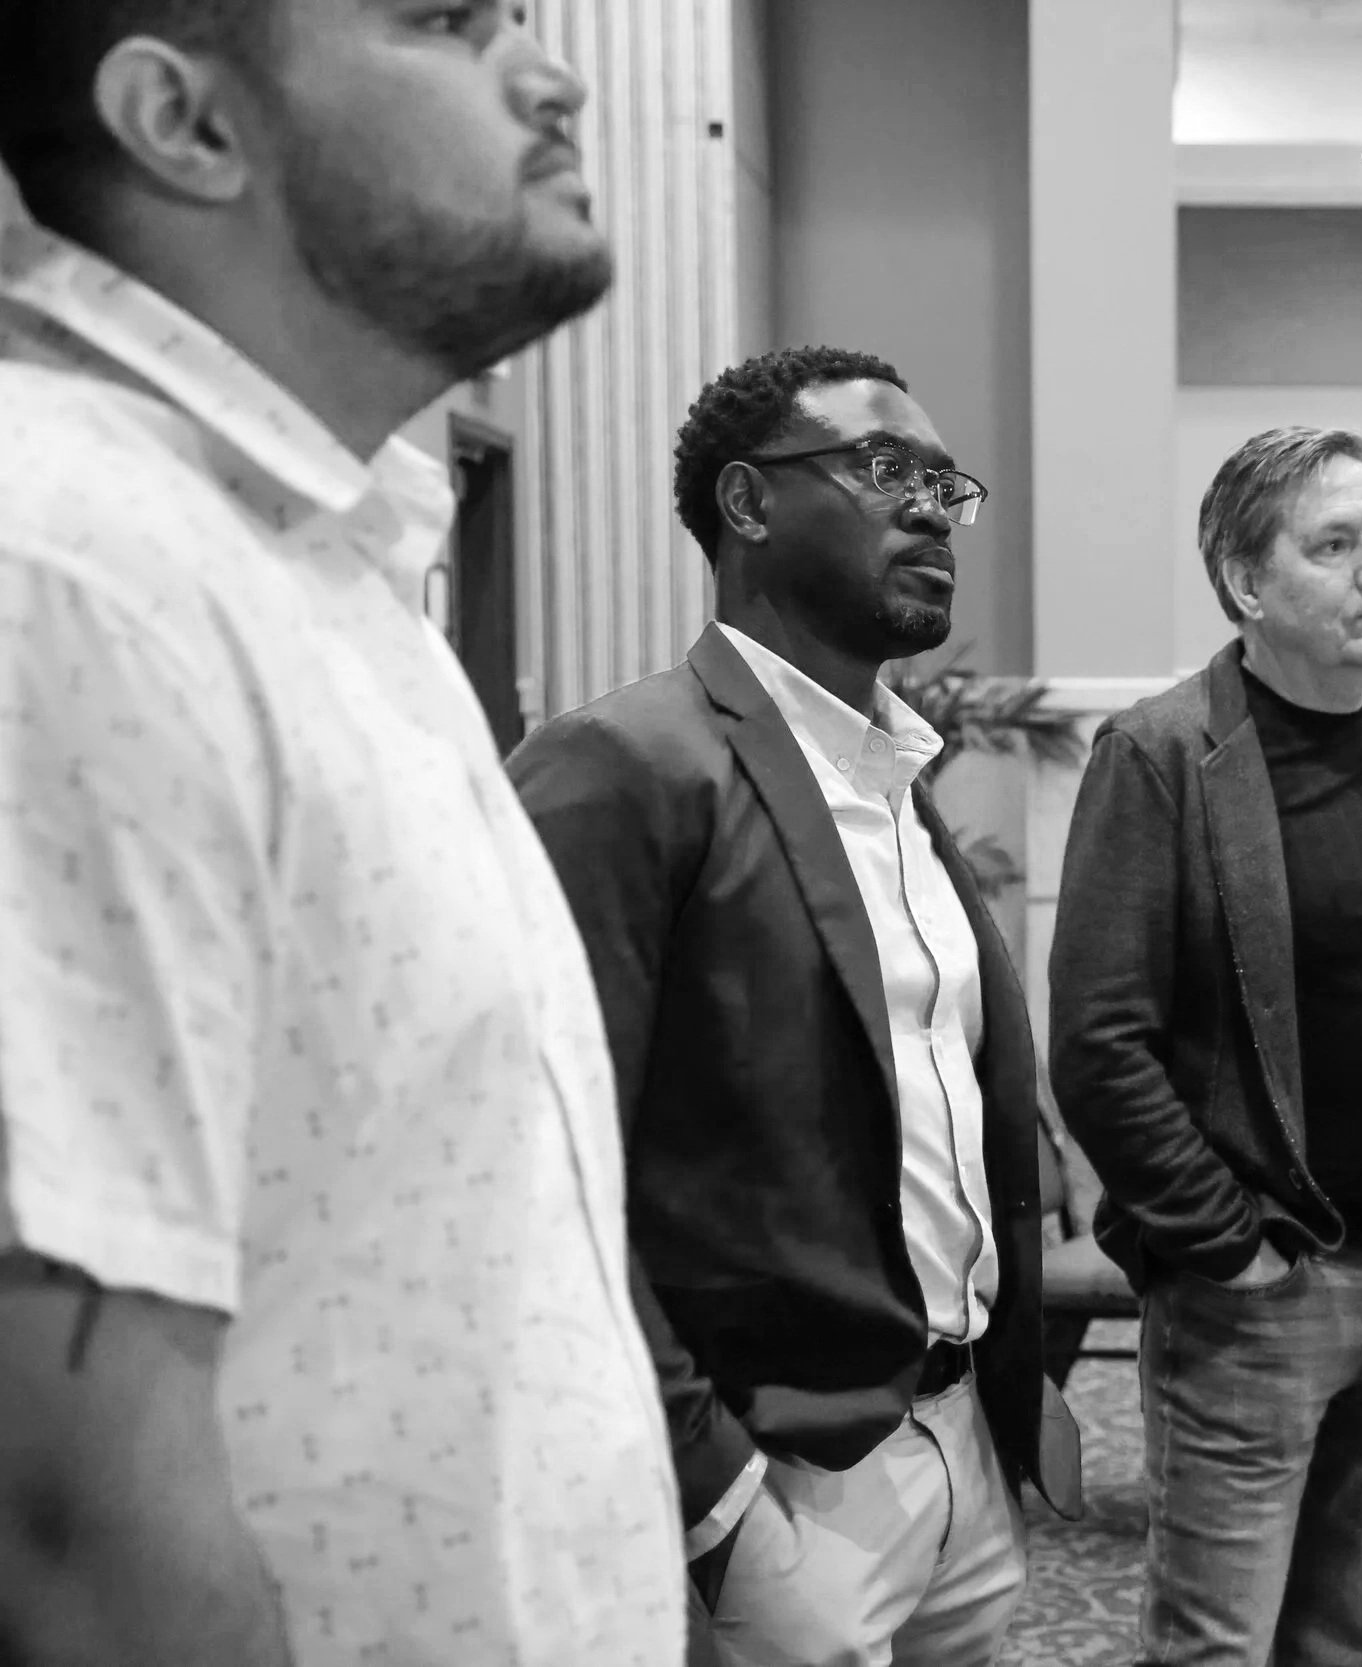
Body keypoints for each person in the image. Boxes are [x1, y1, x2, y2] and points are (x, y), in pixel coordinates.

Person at [0, 4, 682, 1664]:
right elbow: (71, 1526)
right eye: (446, 22)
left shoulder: (318, 561)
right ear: (186, 123)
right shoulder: (68, 566)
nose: (552, 75)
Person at [508, 346, 1080, 1666]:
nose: (931, 507)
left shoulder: (894, 777)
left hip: (962, 1447)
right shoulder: (624, 766)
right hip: (781, 1484)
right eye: (886, 468)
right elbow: (541, 1154)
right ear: (749, 502)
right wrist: (707, 1481)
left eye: (946, 483)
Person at [1050, 427, 1362, 1667]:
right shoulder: (1163, 754)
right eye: (1333, 543)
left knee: (1341, 1639)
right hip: (1263, 1289)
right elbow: (1101, 1042)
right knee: (1216, 1645)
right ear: (1245, 581)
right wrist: (1227, 1242)